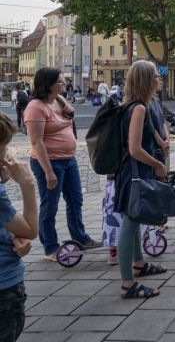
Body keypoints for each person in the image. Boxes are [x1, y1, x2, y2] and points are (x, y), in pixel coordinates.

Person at [24, 68, 98, 261]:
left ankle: (80, 239)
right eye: (59, 81)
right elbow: (36, 142)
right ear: (47, 84)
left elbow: (68, 111)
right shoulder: (35, 107)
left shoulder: (57, 100)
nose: (63, 84)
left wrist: (66, 105)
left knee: (75, 200)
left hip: (69, 160)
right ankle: (50, 247)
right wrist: (48, 171)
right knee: (50, 206)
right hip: (49, 163)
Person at [115, 60, 167, 299]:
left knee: (133, 220)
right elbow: (135, 149)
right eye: (156, 75)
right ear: (147, 80)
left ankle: (138, 264)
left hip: (132, 171)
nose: (159, 79)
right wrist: (158, 165)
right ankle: (128, 283)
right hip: (134, 172)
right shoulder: (138, 109)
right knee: (129, 224)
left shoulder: (134, 106)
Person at [0, 112, 38, 342]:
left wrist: (10, 231)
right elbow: (31, 229)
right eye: (3, 146)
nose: (6, 154)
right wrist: (27, 184)